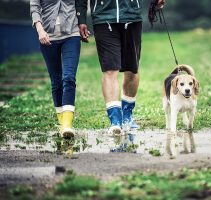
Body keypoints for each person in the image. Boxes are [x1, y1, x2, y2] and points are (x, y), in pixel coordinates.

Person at [75, 0, 165, 135]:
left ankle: (127, 115)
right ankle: (115, 121)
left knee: (132, 70)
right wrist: (81, 19)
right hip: (103, 18)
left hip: (131, 17)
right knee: (109, 70)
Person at [30, 0, 81, 138]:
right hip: (47, 37)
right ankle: (62, 122)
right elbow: (35, 8)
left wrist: (82, 22)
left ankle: (67, 125)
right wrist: (40, 31)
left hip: (71, 34)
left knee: (69, 77)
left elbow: (80, 4)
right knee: (56, 81)